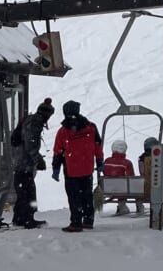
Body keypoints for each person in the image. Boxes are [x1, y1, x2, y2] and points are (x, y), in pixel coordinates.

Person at [51, 100, 103, 232]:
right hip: (87, 168)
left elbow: (58, 151)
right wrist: (99, 162)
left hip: (71, 169)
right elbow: (97, 145)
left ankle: (76, 222)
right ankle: (88, 220)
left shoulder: (63, 131)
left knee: (74, 197)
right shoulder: (91, 127)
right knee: (87, 195)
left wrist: (56, 169)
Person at [10, 97, 54, 228]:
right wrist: (37, 159)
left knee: (22, 190)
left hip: (19, 161)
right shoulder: (35, 122)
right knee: (28, 192)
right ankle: (28, 219)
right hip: (25, 163)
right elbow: (30, 144)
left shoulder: (29, 119)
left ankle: (19, 218)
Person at [101, 139, 137, 216]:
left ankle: (121, 206)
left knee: (121, 185)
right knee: (127, 185)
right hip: (123, 190)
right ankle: (123, 205)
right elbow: (131, 177)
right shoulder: (127, 163)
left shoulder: (107, 161)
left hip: (108, 188)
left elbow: (105, 172)